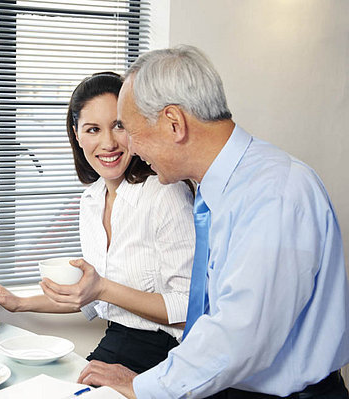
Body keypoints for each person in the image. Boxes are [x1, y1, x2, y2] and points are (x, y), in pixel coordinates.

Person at [77, 45, 349, 398]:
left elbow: (239, 337)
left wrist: (140, 385)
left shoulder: (273, 193)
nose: (129, 147)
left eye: (130, 130)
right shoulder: (220, 191)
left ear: (174, 123)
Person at [0, 72, 195, 374]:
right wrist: (17, 302)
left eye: (119, 126)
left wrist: (102, 290)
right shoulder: (91, 200)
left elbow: (189, 309)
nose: (108, 143)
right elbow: (88, 296)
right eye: (93, 129)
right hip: (118, 340)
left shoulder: (165, 194)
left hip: (170, 351)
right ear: (77, 135)